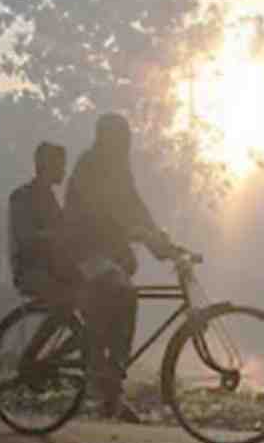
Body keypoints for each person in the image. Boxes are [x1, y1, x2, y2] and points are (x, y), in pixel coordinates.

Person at [62, 113, 177, 423]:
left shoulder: (119, 169)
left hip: (108, 251)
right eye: (119, 139)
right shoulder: (90, 166)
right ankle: (107, 372)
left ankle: (110, 392)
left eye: (126, 140)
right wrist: (140, 233)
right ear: (105, 139)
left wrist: (159, 237)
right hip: (82, 249)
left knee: (124, 284)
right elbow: (104, 212)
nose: (124, 145)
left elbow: (134, 204)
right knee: (125, 295)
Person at [8, 141, 75, 306]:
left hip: (52, 267)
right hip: (31, 271)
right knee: (69, 299)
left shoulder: (49, 197)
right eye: (60, 165)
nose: (64, 171)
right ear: (47, 166)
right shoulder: (22, 196)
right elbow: (26, 237)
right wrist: (57, 236)